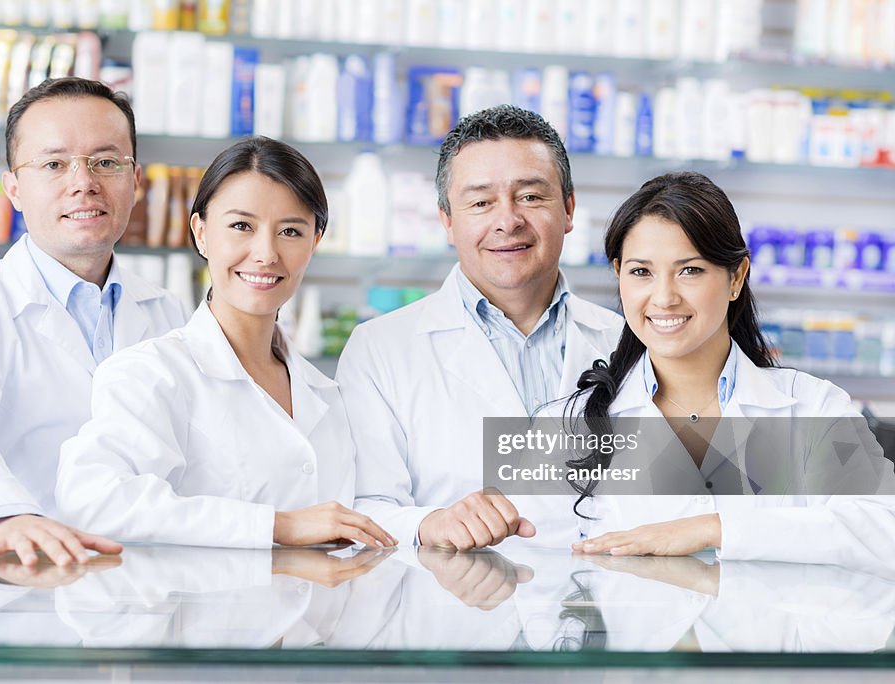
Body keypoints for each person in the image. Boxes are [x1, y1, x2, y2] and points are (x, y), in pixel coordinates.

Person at [0, 77, 188, 567]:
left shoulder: (168, 311)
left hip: (138, 589)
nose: (84, 182)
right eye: (54, 164)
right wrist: (9, 519)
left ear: (134, 180)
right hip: (10, 585)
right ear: (13, 188)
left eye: (106, 162)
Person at [56, 137, 395, 549]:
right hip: (203, 611)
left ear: (315, 242)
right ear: (201, 233)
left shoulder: (327, 394)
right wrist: (277, 527)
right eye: (241, 226)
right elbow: (94, 503)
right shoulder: (149, 373)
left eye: (290, 231)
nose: (266, 253)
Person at [554, 171, 895, 568]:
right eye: (641, 272)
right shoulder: (568, 424)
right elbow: (540, 580)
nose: (663, 297)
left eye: (690, 270)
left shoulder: (812, 407)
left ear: (736, 278)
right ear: (619, 276)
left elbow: (883, 528)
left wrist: (716, 528)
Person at [336, 105, 622, 551]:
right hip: (452, 609)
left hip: (595, 607)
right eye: (481, 202)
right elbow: (362, 507)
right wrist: (430, 523)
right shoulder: (379, 349)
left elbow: (677, 492)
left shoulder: (627, 343)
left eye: (530, 196)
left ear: (568, 209)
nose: (507, 221)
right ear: (448, 220)